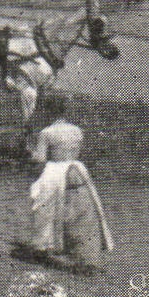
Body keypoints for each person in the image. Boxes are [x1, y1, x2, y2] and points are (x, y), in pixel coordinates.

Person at [23, 92, 114, 274]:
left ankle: (45, 246)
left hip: (55, 171)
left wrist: (30, 153)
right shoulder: (76, 130)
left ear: (48, 112)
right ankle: (82, 253)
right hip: (76, 169)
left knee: (44, 209)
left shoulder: (46, 133)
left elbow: (39, 159)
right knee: (82, 211)